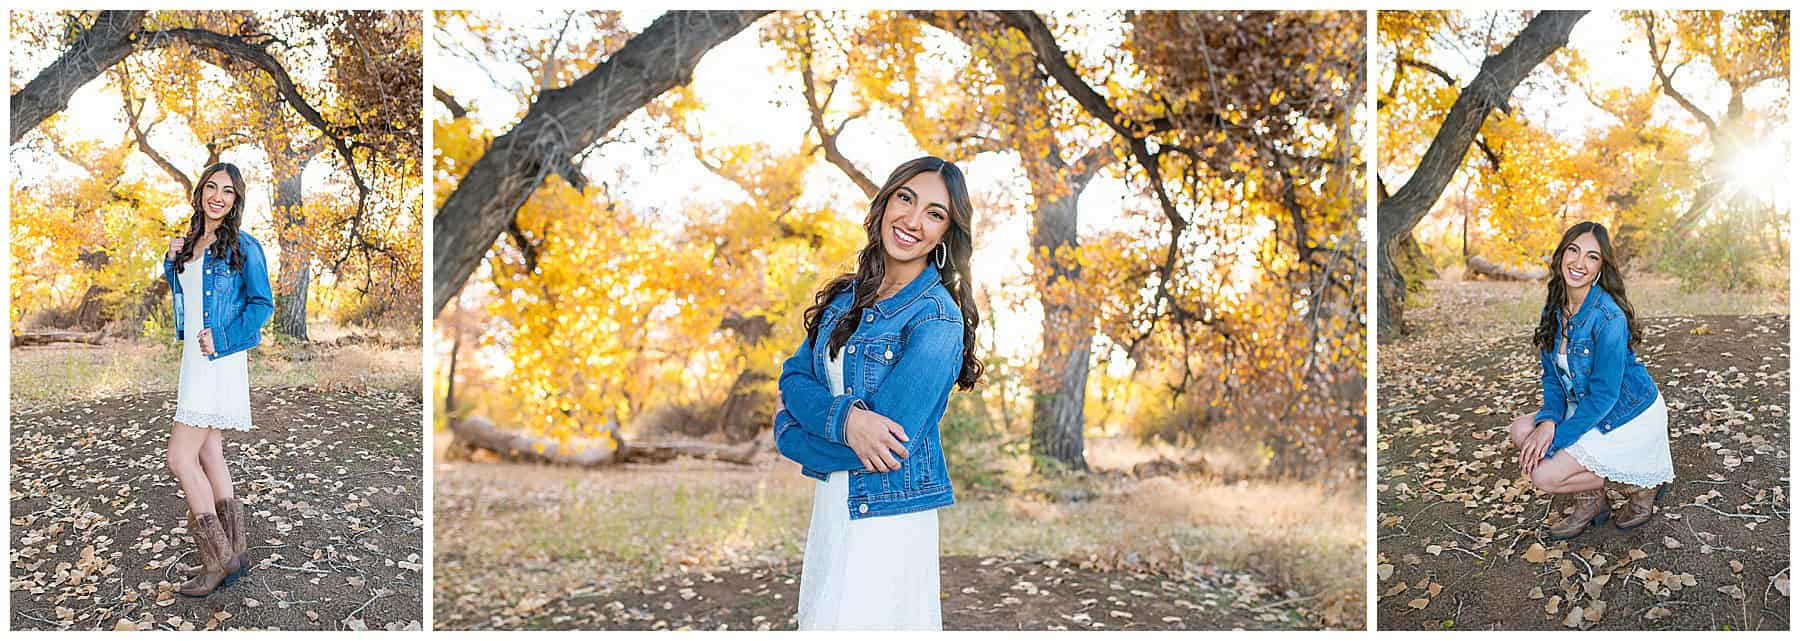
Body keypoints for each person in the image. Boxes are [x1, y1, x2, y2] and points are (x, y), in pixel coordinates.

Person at [772, 156, 983, 629]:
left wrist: (789, 432)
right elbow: (793, 377)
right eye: (905, 199)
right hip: (832, 509)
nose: (912, 220)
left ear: (947, 234)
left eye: (935, 213)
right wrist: (847, 421)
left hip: (887, 517)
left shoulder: (937, 318)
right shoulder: (846, 298)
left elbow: (887, 446)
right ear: (885, 203)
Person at [1508, 221, 1672, 540]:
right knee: (1521, 430)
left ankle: (1642, 483)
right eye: (1573, 250)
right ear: (1561, 255)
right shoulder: (1555, 307)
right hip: (1588, 404)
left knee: (1544, 474)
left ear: (1600, 267)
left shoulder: (1609, 317)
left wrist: (1555, 440)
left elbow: (1604, 396)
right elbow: (1553, 380)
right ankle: (1593, 502)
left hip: (1628, 414)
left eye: (1592, 257)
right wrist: (1548, 422)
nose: (1579, 263)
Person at [161, 162, 273, 596]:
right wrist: (172, 263)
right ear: (200, 193)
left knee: (179, 458)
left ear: (236, 200)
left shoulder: (245, 246)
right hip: (196, 358)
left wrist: (223, 338)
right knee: (209, 453)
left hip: (218, 358)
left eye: (228, 191)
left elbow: (263, 305)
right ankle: (237, 553)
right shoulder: (190, 243)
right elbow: (187, 298)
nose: (218, 196)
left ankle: (217, 560)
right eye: (212, 187)